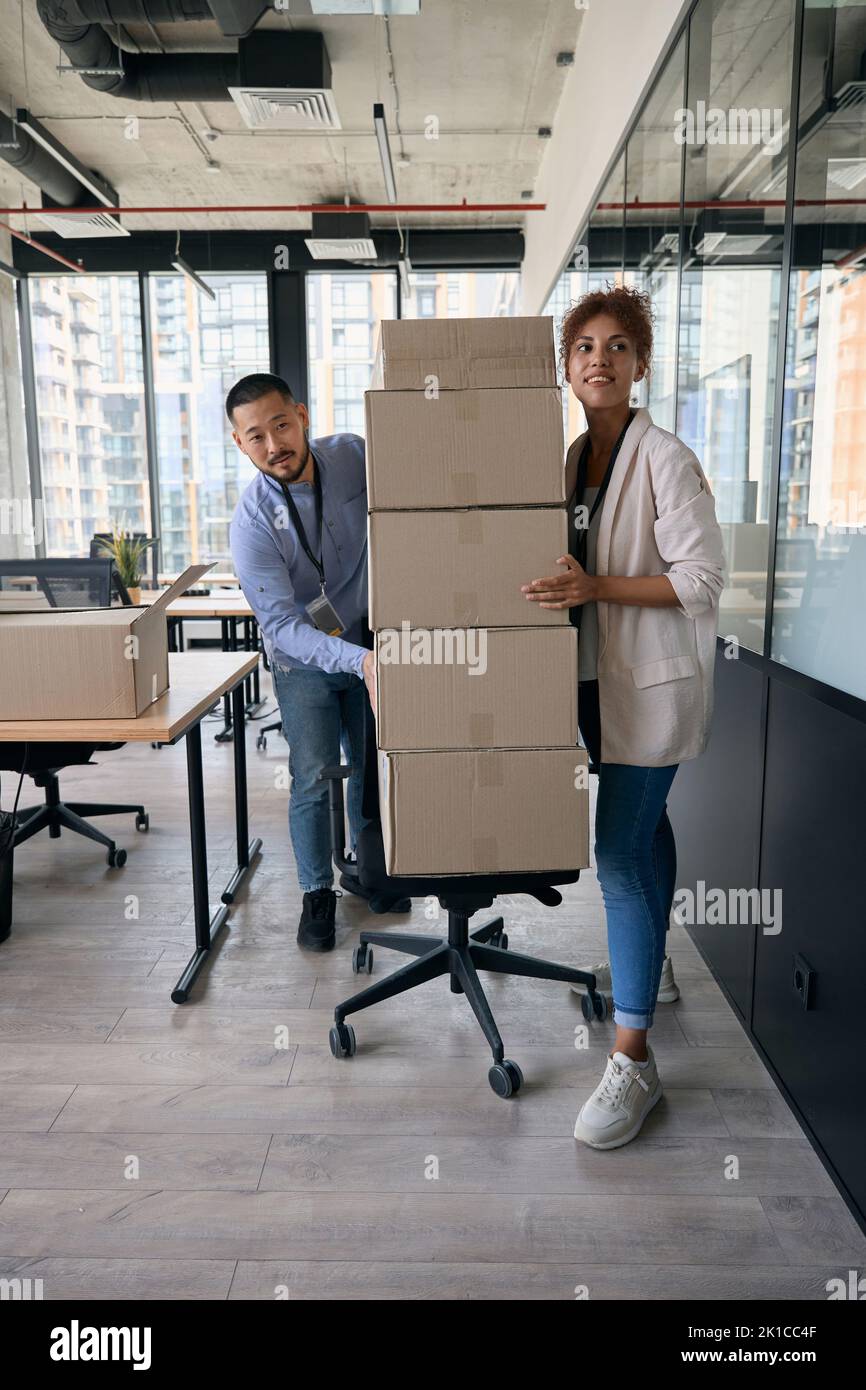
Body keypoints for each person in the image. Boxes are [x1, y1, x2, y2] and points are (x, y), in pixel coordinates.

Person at [522, 285, 725, 1149]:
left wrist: (596, 587)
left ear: (641, 364)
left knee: (617, 856)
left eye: (616, 347)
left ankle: (633, 1059)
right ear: (567, 367)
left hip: (648, 686)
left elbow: (701, 581)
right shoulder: (570, 459)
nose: (597, 359)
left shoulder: (665, 458)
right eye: (583, 348)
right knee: (648, 833)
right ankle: (660, 968)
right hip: (590, 686)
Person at [227, 373, 409, 952]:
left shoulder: (353, 456)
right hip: (303, 658)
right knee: (311, 776)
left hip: (366, 637)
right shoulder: (251, 523)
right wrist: (360, 661)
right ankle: (316, 893)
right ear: (240, 444)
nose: (273, 444)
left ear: (301, 415)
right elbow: (280, 625)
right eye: (255, 436)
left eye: (280, 425)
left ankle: (363, 867)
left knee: (367, 764)